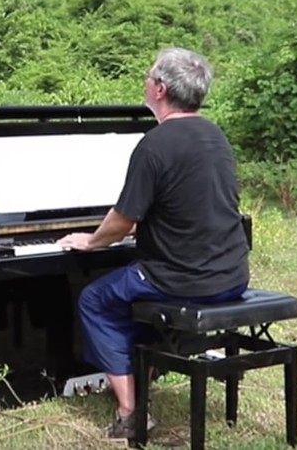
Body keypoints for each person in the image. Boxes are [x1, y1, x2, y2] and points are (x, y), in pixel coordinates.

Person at [56, 46, 250, 439]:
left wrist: (91, 242)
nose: (144, 81)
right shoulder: (216, 135)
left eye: (148, 76)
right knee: (130, 294)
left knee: (94, 299)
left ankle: (131, 411)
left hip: (183, 280)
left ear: (159, 89)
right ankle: (141, 370)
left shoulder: (155, 144)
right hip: (233, 274)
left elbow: (123, 220)